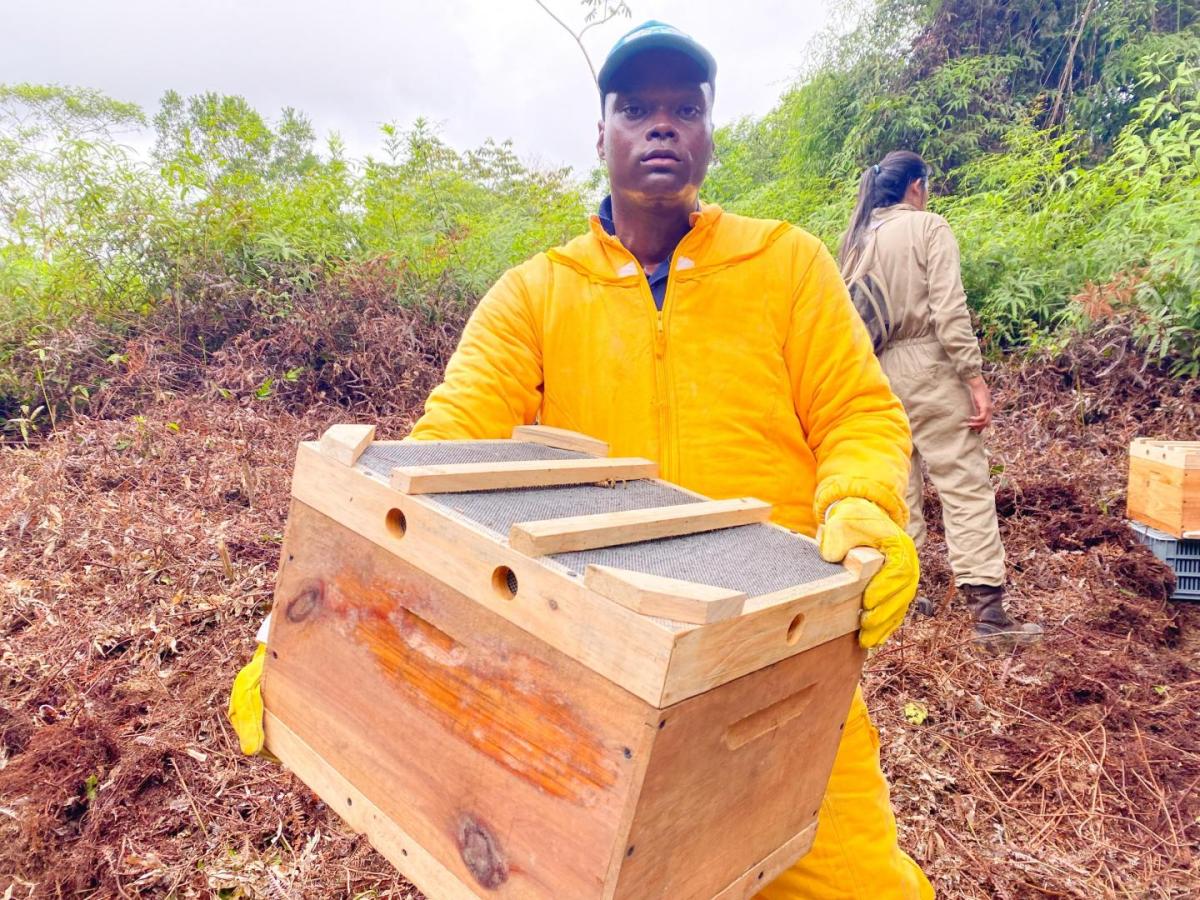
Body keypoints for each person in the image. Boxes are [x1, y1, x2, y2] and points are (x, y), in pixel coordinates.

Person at [230, 21, 934, 898]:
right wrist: (299, 628)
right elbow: (444, 448)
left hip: (779, 666)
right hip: (588, 681)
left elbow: (858, 410)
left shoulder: (784, 264)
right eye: (636, 107)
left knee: (854, 881)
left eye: (686, 108)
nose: (662, 125)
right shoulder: (537, 293)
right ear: (599, 135)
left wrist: (864, 503)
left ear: (712, 132)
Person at [838, 151, 1042, 645]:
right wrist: (974, 378)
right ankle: (989, 616)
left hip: (878, 372)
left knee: (900, 487)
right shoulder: (929, 227)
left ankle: (901, 598)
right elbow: (950, 309)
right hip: (931, 365)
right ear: (916, 186)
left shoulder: (858, 240)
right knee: (963, 482)